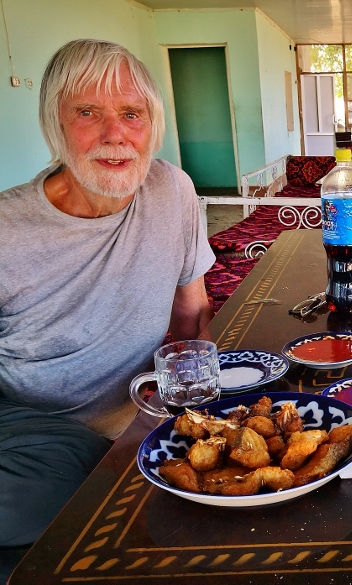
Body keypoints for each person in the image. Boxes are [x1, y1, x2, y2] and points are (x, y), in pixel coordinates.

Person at [0, 38, 217, 563]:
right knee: (70, 503)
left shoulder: (172, 190)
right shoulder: (7, 229)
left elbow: (192, 313)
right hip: (35, 428)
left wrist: (203, 406)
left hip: (142, 409)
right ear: (56, 124)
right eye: (86, 112)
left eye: (131, 113)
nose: (115, 134)